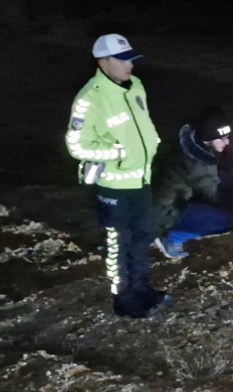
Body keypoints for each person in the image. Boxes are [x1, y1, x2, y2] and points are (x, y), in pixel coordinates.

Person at [64, 33, 169, 318]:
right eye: (122, 60)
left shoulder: (136, 86)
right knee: (117, 246)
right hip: (114, 188)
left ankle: (141, 288)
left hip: (141, 181)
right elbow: (77, 146)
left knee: (142, 239)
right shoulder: (90, 99)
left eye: (130, 59)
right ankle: (123, 300)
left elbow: (143, 124)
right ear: (103, 62)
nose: (129, 65)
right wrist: (118, 152)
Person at [150, 108, 233, 259]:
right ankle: (170, 237)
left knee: (221, 196)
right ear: (208, 139)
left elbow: (212, 179)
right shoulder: (196, 162)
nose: (227, 142)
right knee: (220, 220)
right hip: (163, 215)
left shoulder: (192, 148)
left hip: (167, 203)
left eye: (227, 137)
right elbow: (218, 200)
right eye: (222, 139)